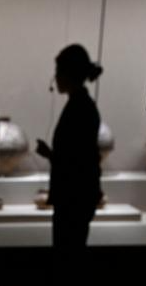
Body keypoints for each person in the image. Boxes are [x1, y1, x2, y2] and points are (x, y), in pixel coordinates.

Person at [35, 44, 103, 253]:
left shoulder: (80, 108)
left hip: (74, 198)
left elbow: (77, 162)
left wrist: (50, 155)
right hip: (76, 196)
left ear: (68, 74)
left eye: (58, 72)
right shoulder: (80, 104)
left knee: (68, 254)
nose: (55, 78)